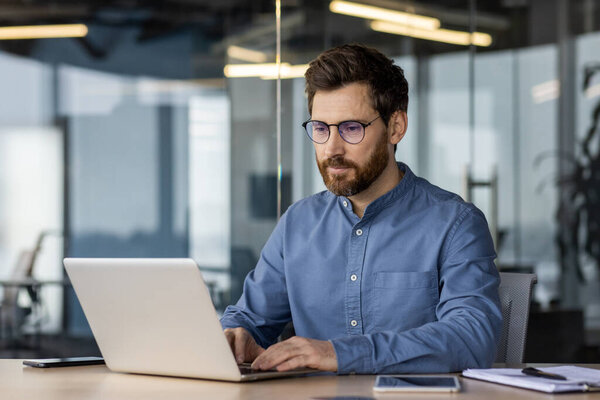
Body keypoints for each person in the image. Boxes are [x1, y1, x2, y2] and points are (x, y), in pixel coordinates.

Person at [220, 43, 502, 375]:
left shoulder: (455, 224)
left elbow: (471, 339)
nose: (332, 149)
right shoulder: (297, 224)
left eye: (351, 128)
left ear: (395, 127)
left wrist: (339, 353)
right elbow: (250, 318)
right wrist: (236, 337)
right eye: (321, 129)